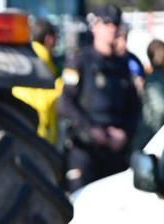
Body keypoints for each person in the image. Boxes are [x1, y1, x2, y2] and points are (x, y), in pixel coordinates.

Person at [59, 4, 142, 191]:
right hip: (85, 149)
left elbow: (135, 106)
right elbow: (65, 103)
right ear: (95, 26)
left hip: (116, 152)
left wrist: (125, 134)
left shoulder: (123, 65)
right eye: (106, 24)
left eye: (115, 24)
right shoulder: (80, 61)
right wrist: (92, 130)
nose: (112, 29)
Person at [12, 19, 64, 145]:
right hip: (37, 131)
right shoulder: (42, 61)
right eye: (56, 39)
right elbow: (40, 99)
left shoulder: (27, 56)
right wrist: (62, 90)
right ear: (49, 39)